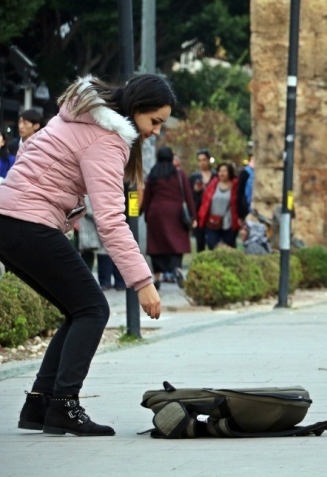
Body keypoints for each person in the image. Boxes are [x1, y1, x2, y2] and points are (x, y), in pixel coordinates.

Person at [0, 74, 174, 437]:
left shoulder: (74, 116)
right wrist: (143, 281)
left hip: (10, 220)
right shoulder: (107, 139)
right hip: (29, 223)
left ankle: (40, 403)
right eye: (154, 121)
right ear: (135, 109)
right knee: (94, 309)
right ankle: (64, 404)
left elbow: (26, 154)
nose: (156, 131)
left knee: (78, 309)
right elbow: (111, 219)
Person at [141, 146, 196, 290]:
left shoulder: (152, 174)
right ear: (172, 158)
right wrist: (193, 215)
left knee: (156, 246)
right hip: (175, 213)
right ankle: (177, 269)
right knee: (176, 244)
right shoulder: (179, 174)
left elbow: (147, 197)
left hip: (156, 213)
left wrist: (145, 214)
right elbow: (188, 196)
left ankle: (157, 276)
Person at [197, 162, 239, 249]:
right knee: (213, 245)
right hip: (212, 222)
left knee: (229, 248)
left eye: (224, 171)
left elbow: (238, 203)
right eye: (220, 171)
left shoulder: (235, 186)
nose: (222, 173)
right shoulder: (212, 184)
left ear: (230, 172)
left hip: (229, 223)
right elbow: (205, 203)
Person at [189, 149, 216, 252]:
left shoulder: (215, 176)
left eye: (204, 160)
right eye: (200, 160)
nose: (202, 163)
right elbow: (189, 197)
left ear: (208, 160)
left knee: (213, 243)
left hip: (213, 213)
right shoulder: (194, 177)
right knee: (200, 243)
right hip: (199, 213)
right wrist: (196, 191)